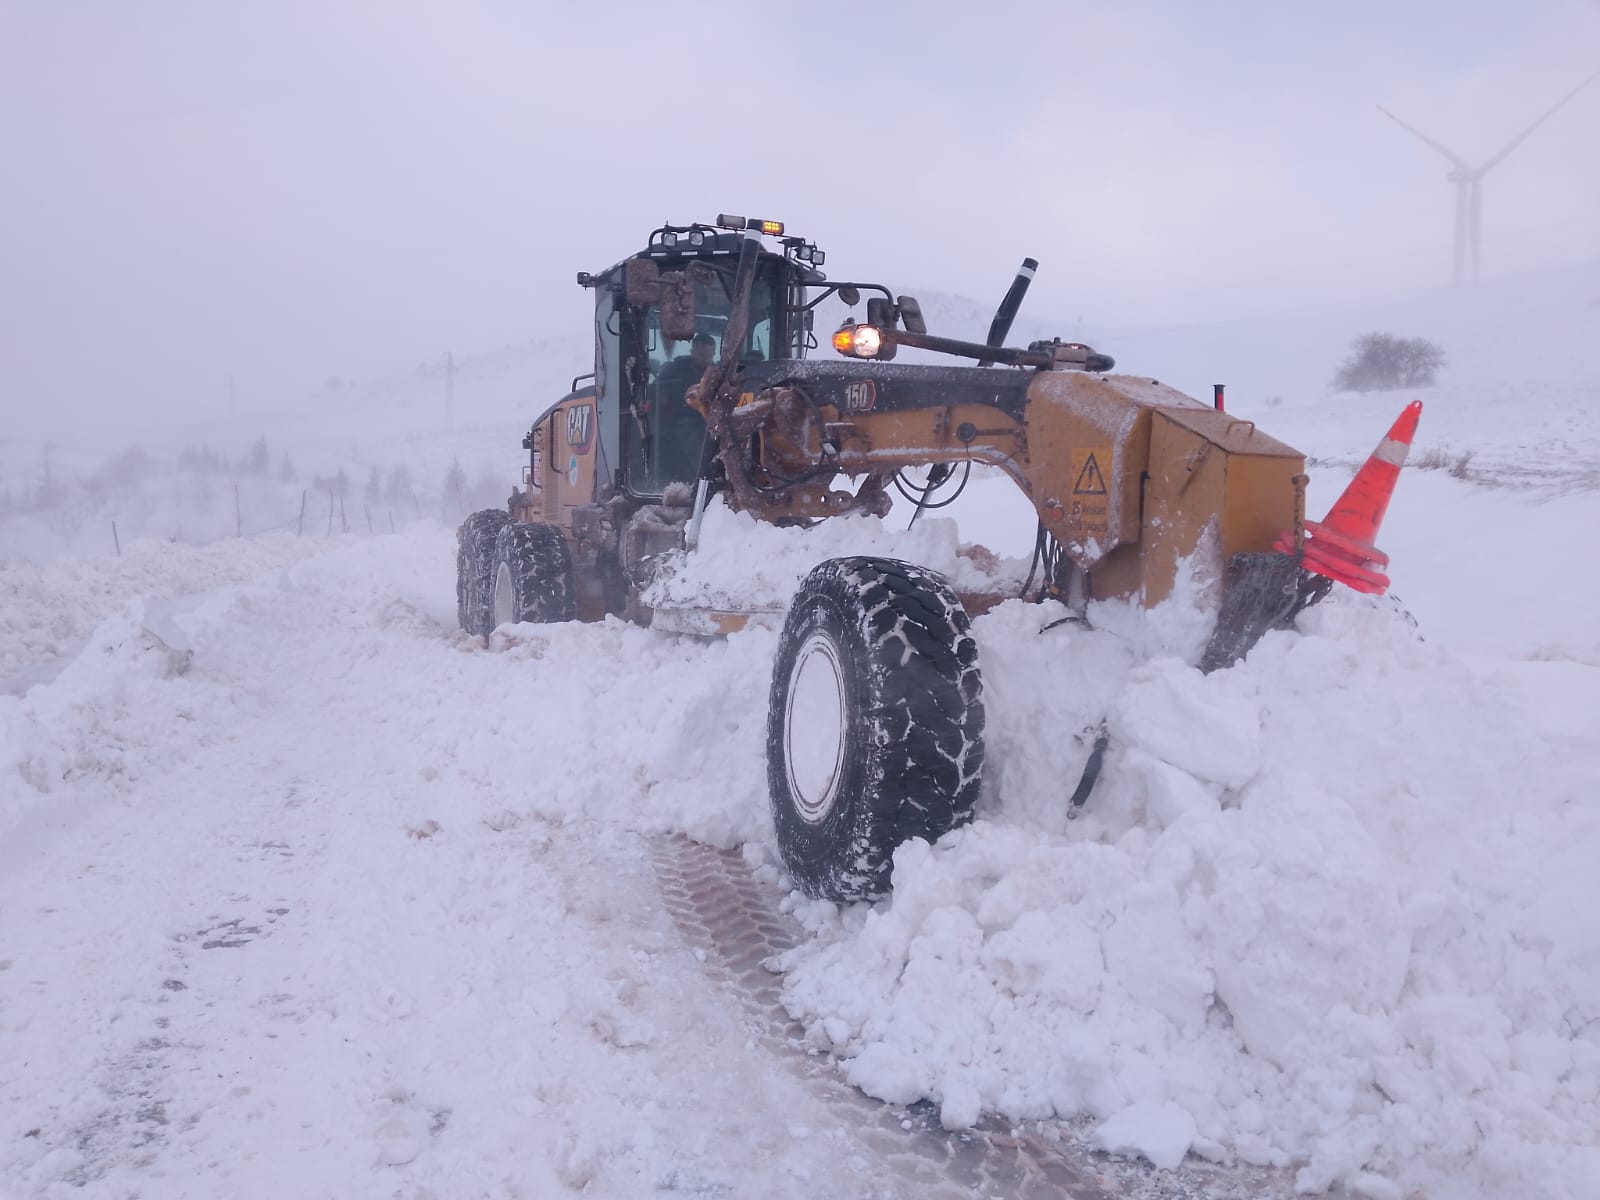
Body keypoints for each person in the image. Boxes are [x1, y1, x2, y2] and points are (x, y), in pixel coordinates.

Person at [652, 332, 715, 484]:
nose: (705, 359)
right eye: (701, 355)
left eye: (709, 355)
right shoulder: (675, 370)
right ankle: (696, 480)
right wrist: (663, 397)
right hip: (679, 421)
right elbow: (655, 390)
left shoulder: (717, 374)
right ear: (692, 352)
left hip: (710, 421)